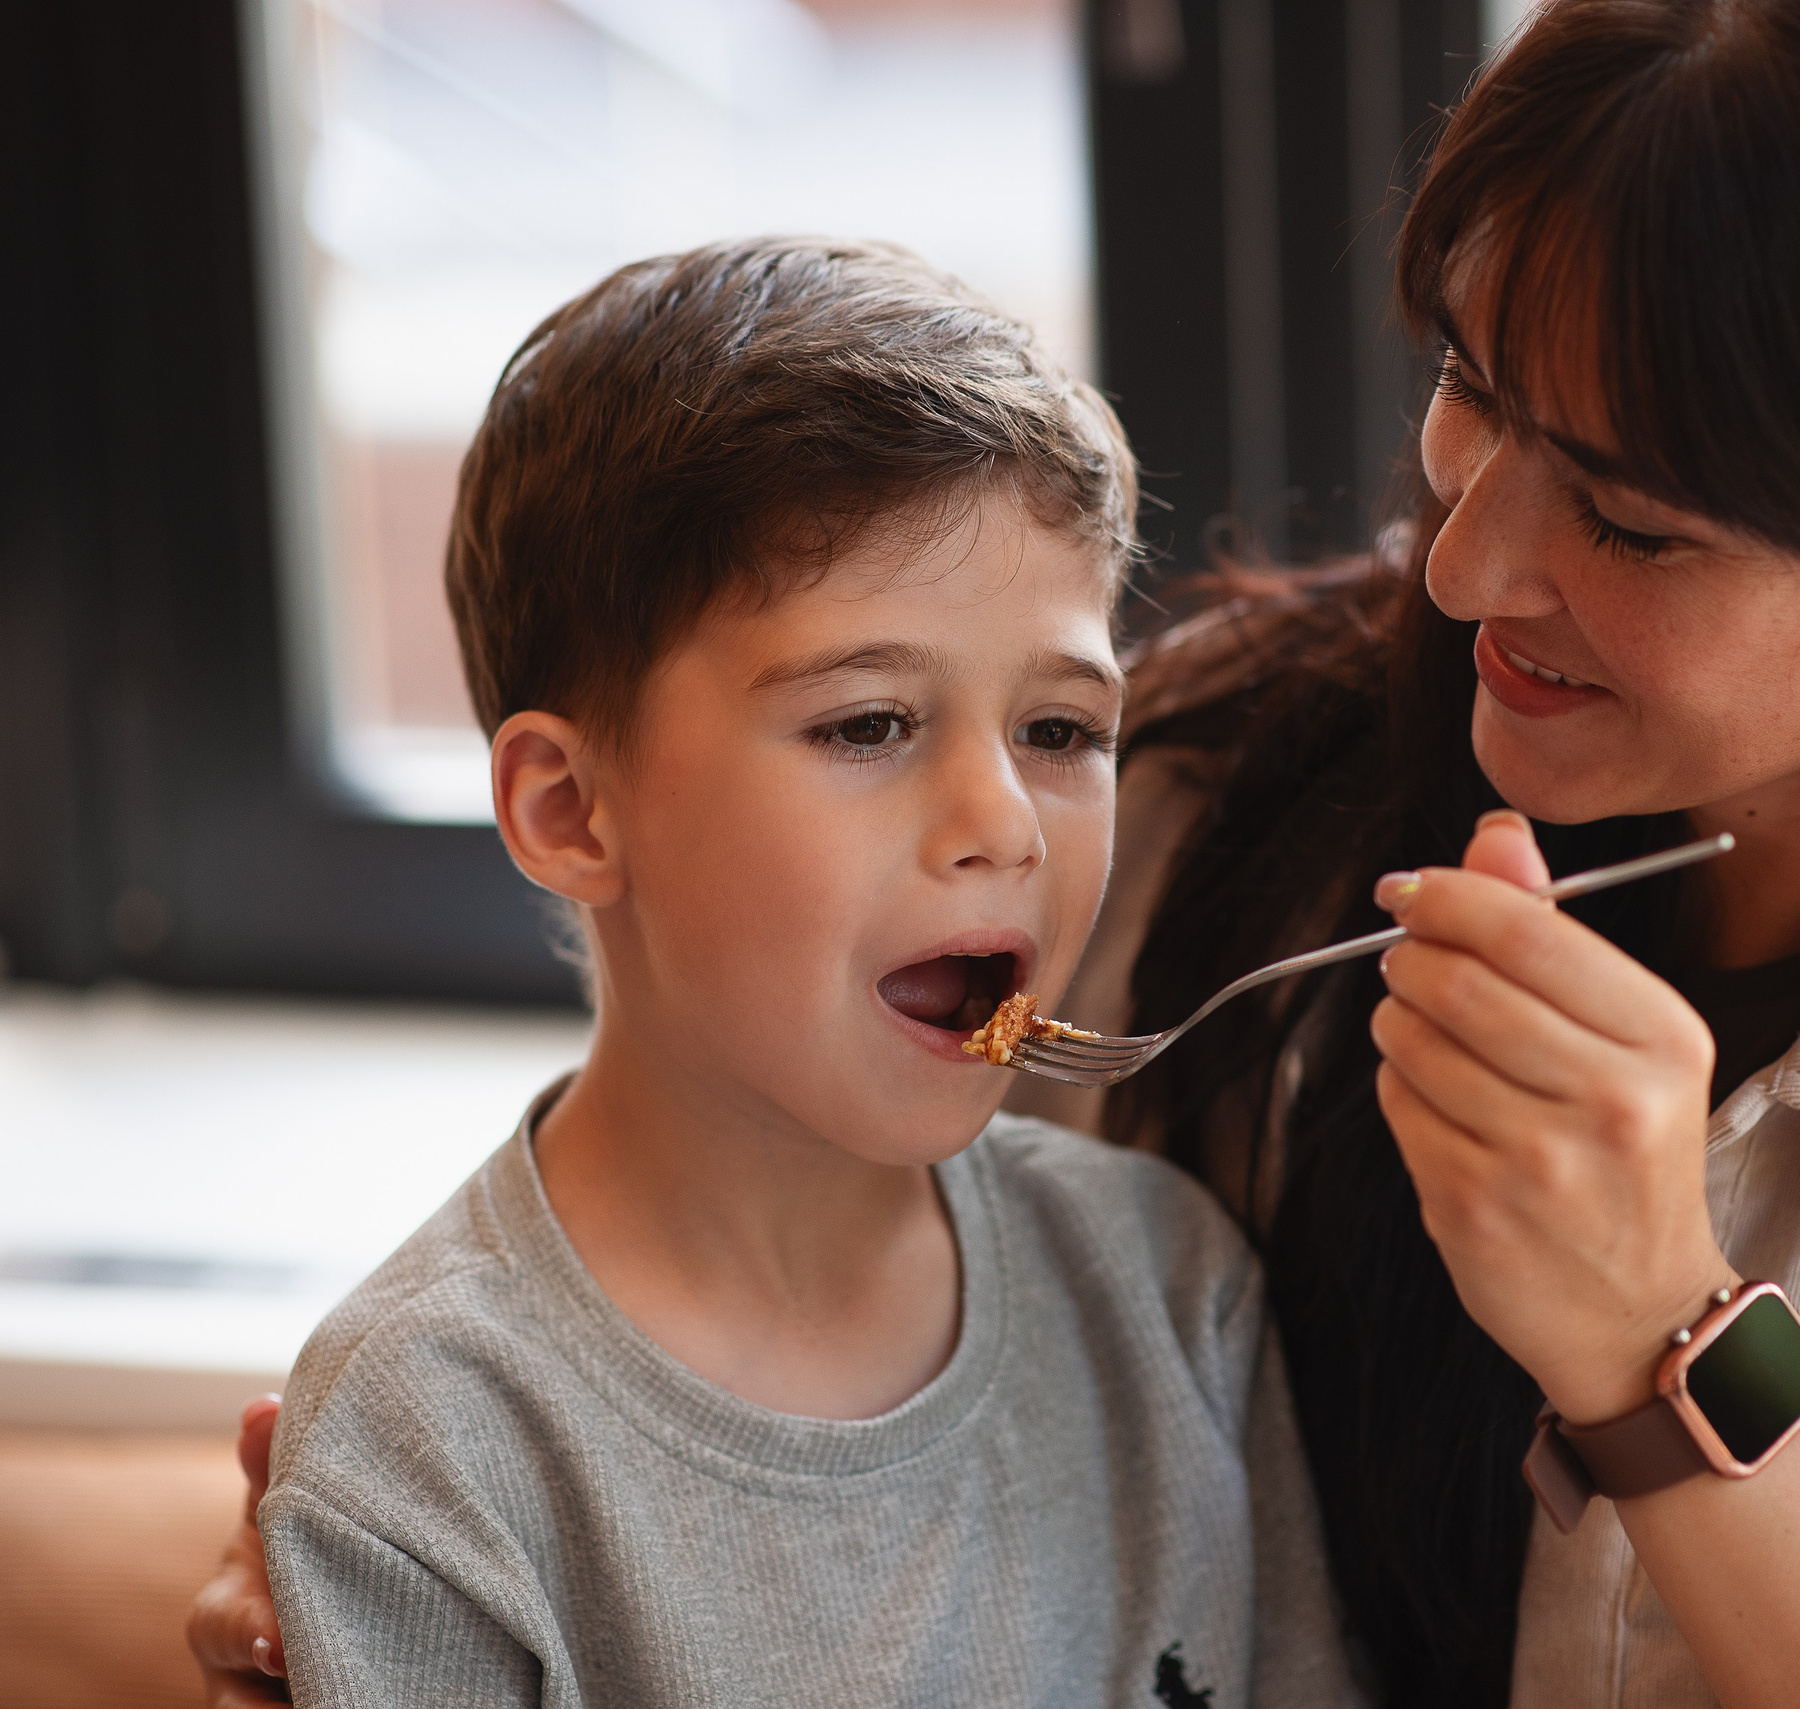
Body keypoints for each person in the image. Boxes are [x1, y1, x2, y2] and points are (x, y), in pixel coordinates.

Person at [198, 1, 1800, 1704]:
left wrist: (1664, 1342)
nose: (1460, 566)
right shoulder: (1178, 801)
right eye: (1467, 391)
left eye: (1629, 519)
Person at [227, 236, 1356, 1709]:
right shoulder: (430, 1446)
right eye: (870, 724)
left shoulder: (1172, 1292)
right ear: (571, 810)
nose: (1002, 824)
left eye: (1061, 731)